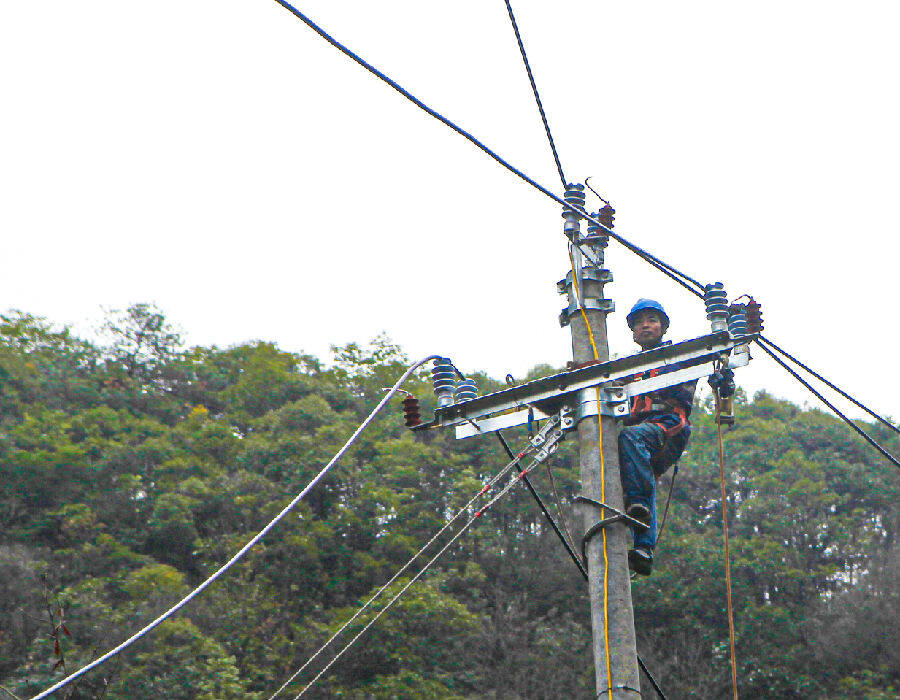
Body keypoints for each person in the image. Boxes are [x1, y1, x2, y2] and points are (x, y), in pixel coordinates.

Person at [619, 299, 697, 576]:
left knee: (631, 439)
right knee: (635, 471)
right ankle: (643, 548)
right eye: (640, 322)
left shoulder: (680, 355)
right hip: (642, 430)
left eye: (651, 320)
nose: (645, 325)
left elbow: (714, 357)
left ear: (663, 326)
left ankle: (638, 506)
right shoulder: (626, 368)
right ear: (633, 331)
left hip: (669, 423)